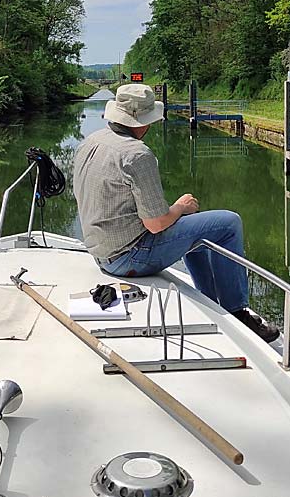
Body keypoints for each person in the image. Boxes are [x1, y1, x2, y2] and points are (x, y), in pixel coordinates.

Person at [72, 84, 279, 342]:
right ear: (142, 122)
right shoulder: (136, 154)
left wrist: (179, 213)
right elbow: (156, 224)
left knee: (199, 227)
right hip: (130, 258)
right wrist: (180, 207)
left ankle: (209, 299)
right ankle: (236, 311)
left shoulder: (90, 142)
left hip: (100, 253)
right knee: (228, 223)